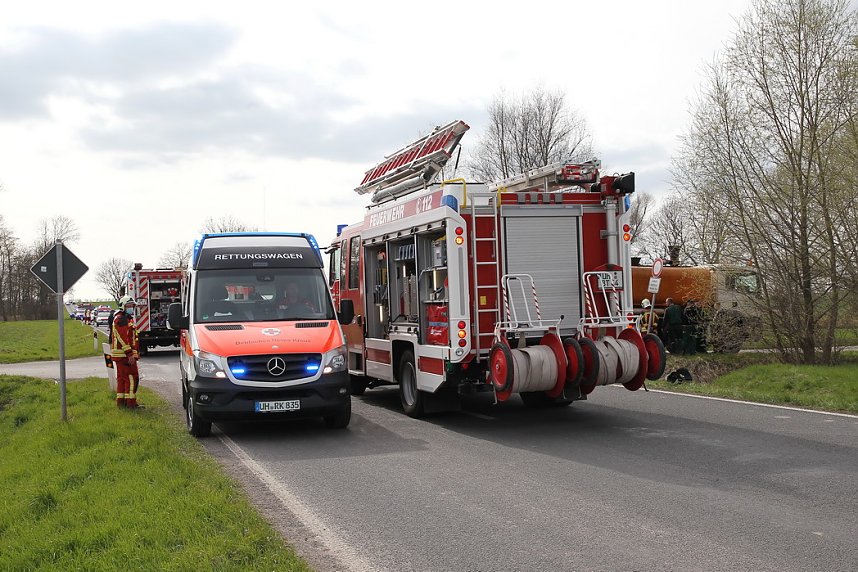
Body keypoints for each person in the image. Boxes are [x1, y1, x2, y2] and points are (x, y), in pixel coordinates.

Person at [110, 295, 143, 409]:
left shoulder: (124, 318)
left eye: (132, 306)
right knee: (131, 378)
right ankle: (131, 404)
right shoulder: (121, 319)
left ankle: (122, 402)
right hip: (124, 355)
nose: (131, 308)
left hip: (122, 355)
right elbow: (123, 337)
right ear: (123, 306)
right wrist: (129, 354)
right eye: (129, 306)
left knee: (122, 379)